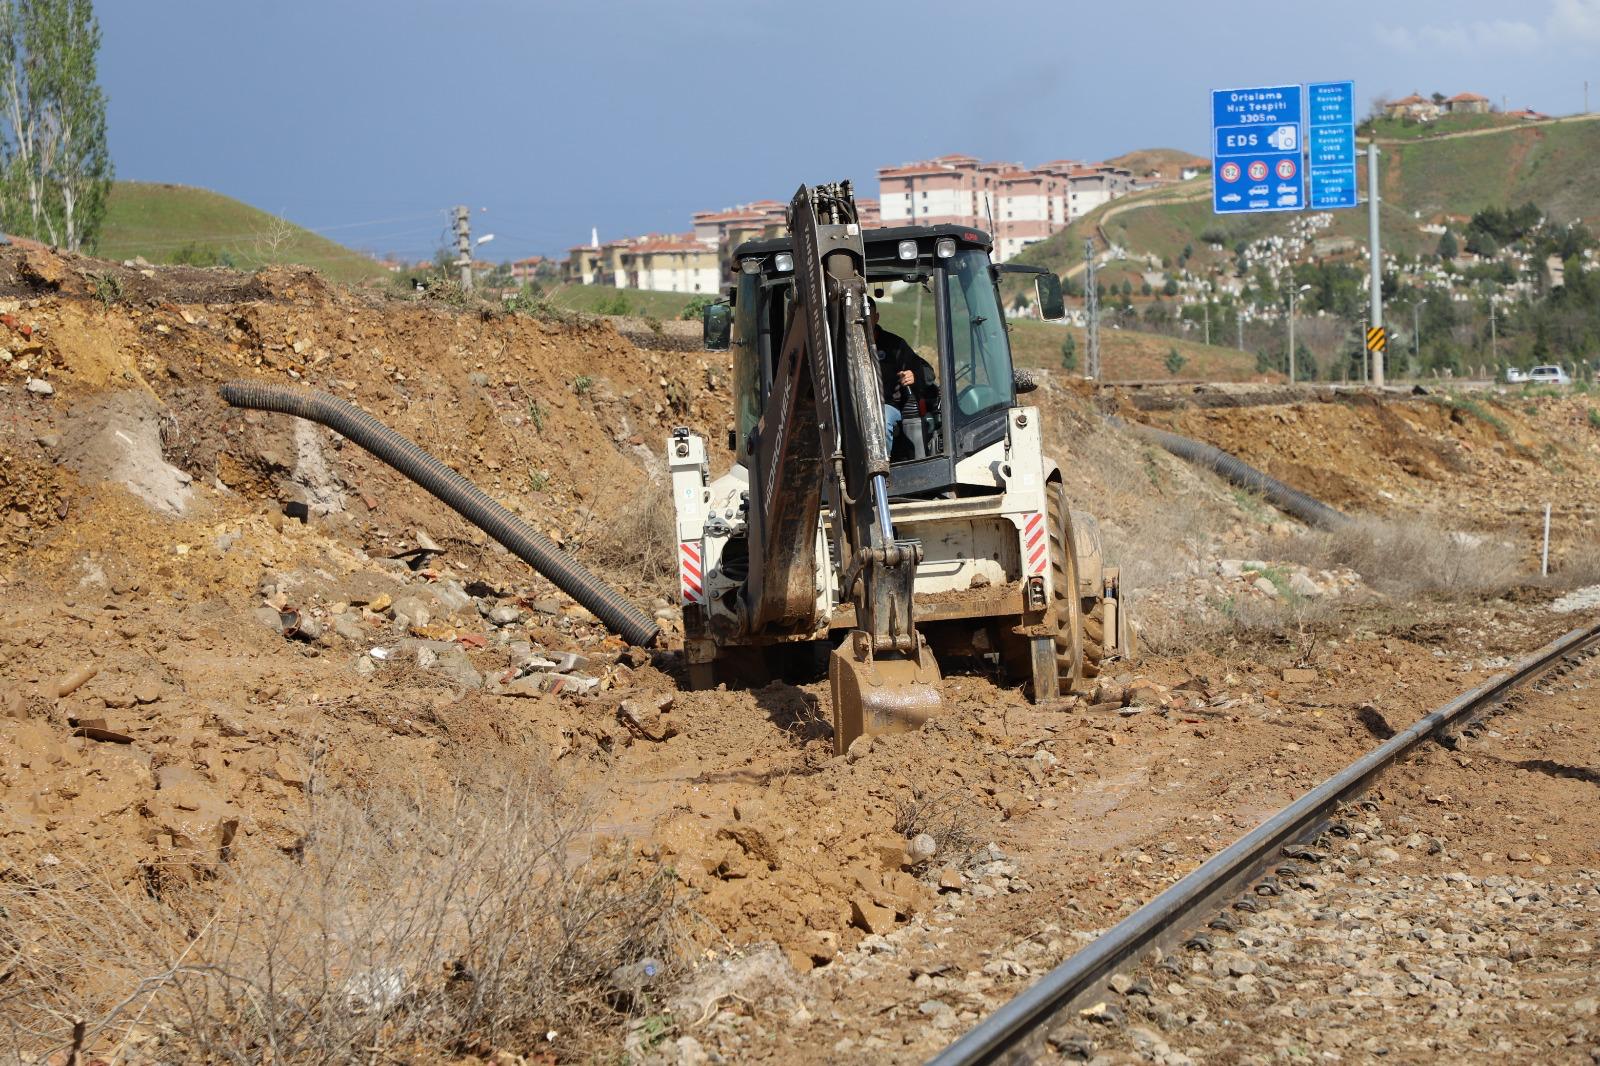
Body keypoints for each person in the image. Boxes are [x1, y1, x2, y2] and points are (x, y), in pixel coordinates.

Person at [866, 298, 937, 449]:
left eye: (867, 316)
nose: (863, 322)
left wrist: (914, 375)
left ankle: (880, 464)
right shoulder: (842, 348)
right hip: (854, 407)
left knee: (880, 422)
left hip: (888, 405)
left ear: (876, 317)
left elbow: (928, 373)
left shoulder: (894, 345)